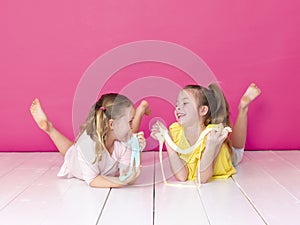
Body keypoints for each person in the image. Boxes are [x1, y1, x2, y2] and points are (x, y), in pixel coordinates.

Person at [30, 93, 151, 188]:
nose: (131, 126)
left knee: (131, 135)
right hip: (78, 158)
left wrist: (137, 150)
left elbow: (128, 175)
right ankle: (50, 129)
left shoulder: (124, 142)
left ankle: (140, 111)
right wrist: (120, 183)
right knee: (70, 153)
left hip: (97, 150)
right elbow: (93, 180)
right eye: (130, 121)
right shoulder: (87, 145)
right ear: (111, 124)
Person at [151, 83, 261, 183]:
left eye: (185, 103)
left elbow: (202, 178)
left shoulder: (213, 135)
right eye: (177, 104)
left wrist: (211, 146)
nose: (178, 107)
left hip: (224, 157)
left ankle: (243, 108)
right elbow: (182, 176)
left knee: (236, 152)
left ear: (203, 110)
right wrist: (167, 138)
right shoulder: (176, 132)